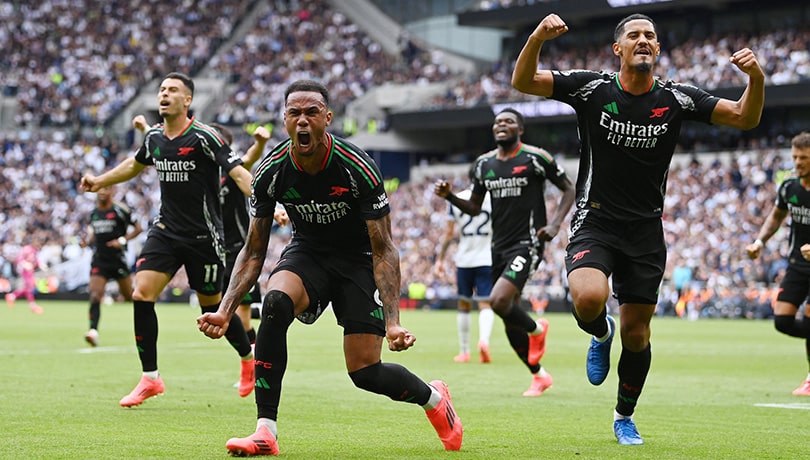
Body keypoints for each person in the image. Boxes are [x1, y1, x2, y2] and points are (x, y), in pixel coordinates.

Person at [512, 13, 764, 444]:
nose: (643, 39)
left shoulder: (677, 98)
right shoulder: (591, 88)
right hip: (596, 219)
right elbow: (524, 82)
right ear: (619, 49)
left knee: (638, 334)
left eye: (650, 35)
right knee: (589, 299)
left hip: (646, 231)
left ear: (658, 49)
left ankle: (623, 416)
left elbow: (744, 117)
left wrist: (755, 78)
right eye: (634, 35)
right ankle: (598, 332)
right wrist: (537, 36)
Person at [197, 79, 462, 456]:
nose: (302, 121)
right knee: (274, 303)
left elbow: (385, 249)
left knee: (365, 372)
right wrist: (225, 310)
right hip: (308, 253)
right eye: (294, 113)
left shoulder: (357, 167)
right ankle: (265, 431)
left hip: (358, 259)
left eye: (311, 113)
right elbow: (254, 251)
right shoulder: (271, 172)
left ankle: (435, 400)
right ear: (284, 120)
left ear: (328, 118)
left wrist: (392, 321)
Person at [80, 72, 257, 407]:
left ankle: (247, 358)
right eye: (161, 89)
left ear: (187, 100)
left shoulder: (205, 136)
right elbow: (135, 165)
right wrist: (99, 180)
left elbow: (236, 171)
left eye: (172, 90)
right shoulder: (155, 138)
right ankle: (151, 378)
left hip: (204, 237)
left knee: (212, 308)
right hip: (166, 231)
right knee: (141, 293)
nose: (164, 94)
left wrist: (265, 203)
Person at [132, 115, 286, 393]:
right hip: (209, 246)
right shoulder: (198, 172)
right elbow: (162, 147)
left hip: (238, 251)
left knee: (238, 313)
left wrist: (261, 143)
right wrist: (144, 129)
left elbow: (248, 162)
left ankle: (250, 364)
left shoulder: (231, 172)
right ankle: (248, 362)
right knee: (216, 310)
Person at [433, 108, 576, 397]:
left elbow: (568, 189)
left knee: (498, 301)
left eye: (509, 121)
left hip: (528, 242)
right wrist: (449, 197)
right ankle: (539, 376)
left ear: (520, 129)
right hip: (497, 247)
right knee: (509, 318)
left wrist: (555, 224)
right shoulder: (484, 164)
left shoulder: (536, 158)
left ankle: (537, 329)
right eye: (498, 122)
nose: (502, 125)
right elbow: (474, 207)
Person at [746, 132, 810, 397]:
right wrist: (760, 241)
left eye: (804, 157)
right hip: (797, 264)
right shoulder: (789, 187)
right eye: (795, 157)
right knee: (782, 320)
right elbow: (776, 216)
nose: (797, 162)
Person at [433, 176, 495, 364]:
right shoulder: (493, 198)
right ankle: (484, 341)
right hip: (487, 257)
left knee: (464, 305)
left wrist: (440, 259)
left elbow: (449, 234)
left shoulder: (457, 198)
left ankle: (464, 351)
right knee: (485, 304)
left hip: (465, 259)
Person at [81, 185, 143, 346]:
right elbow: (93, 235)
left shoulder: (121, 210)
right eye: (99, 189)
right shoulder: (93, 213)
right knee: (95, 295)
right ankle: (93, 331)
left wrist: (121, 241)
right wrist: (86, 242)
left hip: (118, 259)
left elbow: (138, 228)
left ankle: (145, 323)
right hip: (100, 259)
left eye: (106, 189)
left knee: (130, 296)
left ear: (112, 191)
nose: (102, 192)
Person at [5, 238, 45, 314]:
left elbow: (35, 261)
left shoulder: (35, 250)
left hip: (30, 271)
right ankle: (32, 305)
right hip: (25, 271)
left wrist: (41, 265)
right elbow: (19, 258)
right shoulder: (26, 249)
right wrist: (25, 264)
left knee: (28, 288)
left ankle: (12, 296)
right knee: (29, 286)